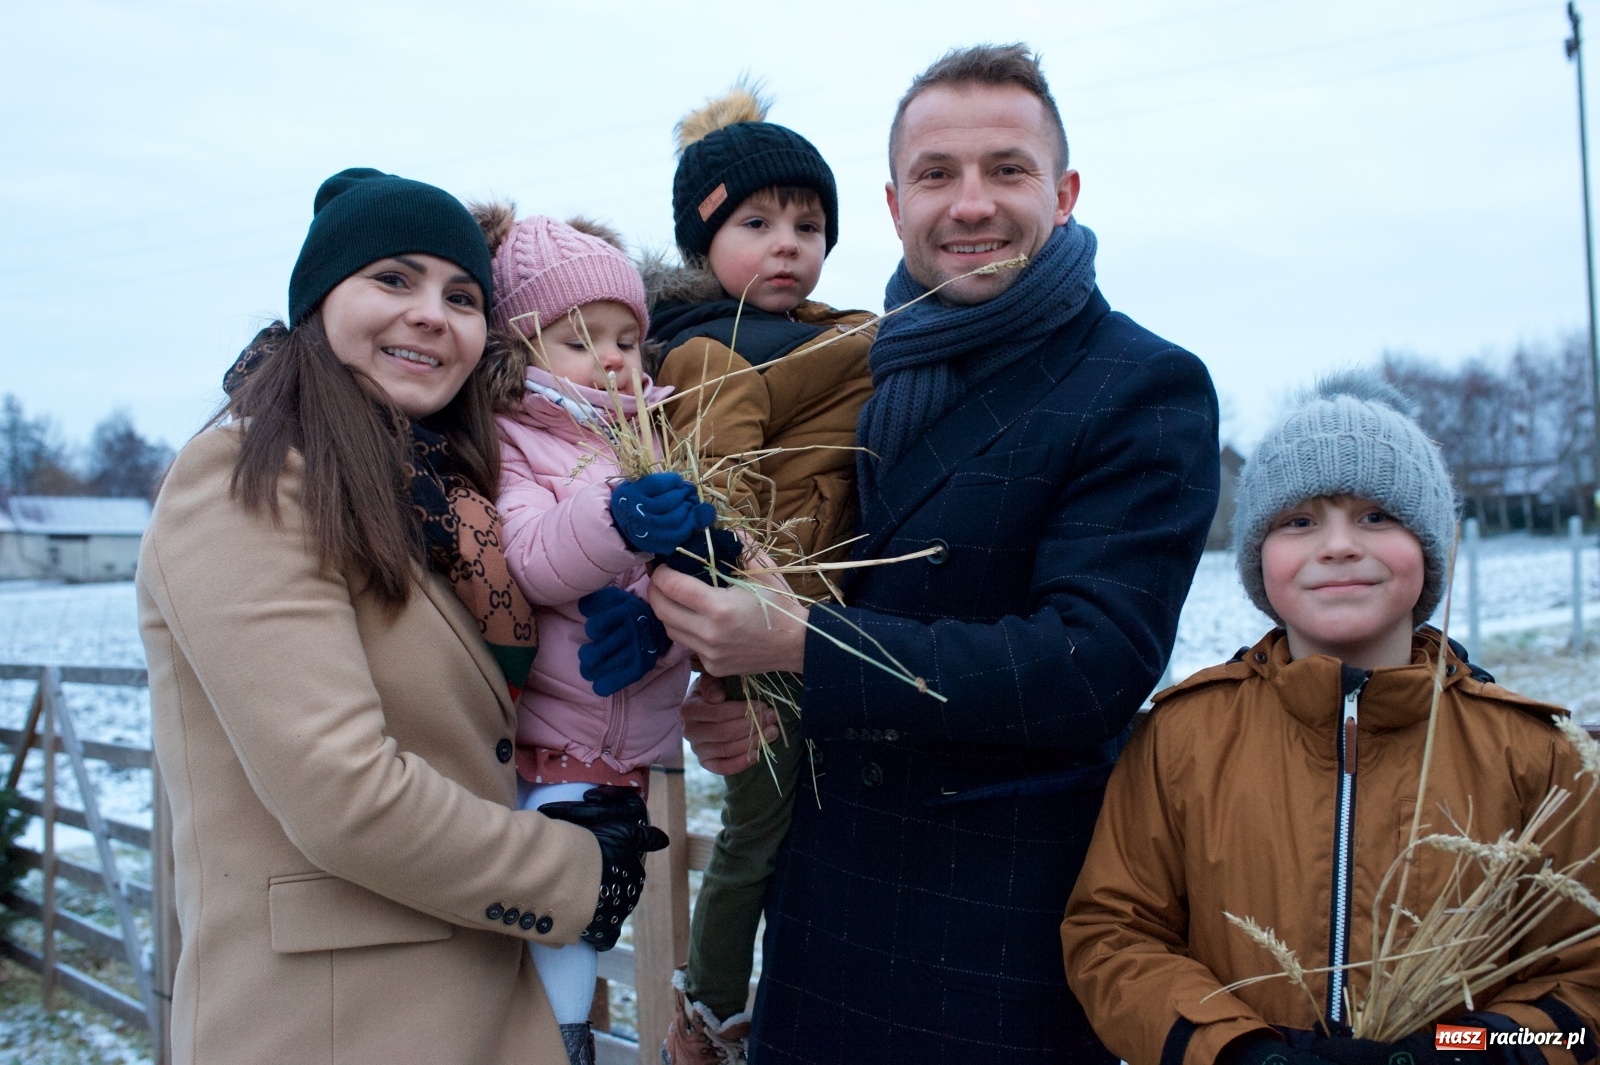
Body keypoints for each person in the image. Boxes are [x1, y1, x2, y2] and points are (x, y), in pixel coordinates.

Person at [649, 45, 1221, 1063]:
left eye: (1006, 169)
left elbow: (1085, 664)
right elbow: (790, 560)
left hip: (997, 946)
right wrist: (740, 695)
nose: (970, 204)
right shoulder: (848, 374)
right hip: (822, 928)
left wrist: (798, 648)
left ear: (1065, 191)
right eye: (936, 174)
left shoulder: (1139, 385)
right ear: (893, 199)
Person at [138, 168, 665, 1065]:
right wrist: (578, 874)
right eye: (393, 279)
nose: (431, 312)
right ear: (318, 301)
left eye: (462, 295)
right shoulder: (248, 479)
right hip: (335, 1024)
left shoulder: (447, 495)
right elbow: (343, 791)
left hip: (489, 1001)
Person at [1061, 373, 1600, 1065]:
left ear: (1431, 547)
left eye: (1378, 515)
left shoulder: (1533, 754)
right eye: (1299, 520)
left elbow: (1585, 986)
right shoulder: (1182, 738)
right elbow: (1114, 936)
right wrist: (1239, 1052)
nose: (1339, 545)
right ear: (1260, 555)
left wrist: (1460, 1050)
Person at [644, 82, 877, 1065]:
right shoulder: (713, 352)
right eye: (757, 222)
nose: (788, 243)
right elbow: (716, 493)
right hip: (779, 622)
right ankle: (715, 1003)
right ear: (705, 245)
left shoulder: (834, 331)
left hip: (842, 614)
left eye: (809, 222)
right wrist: (752, 618)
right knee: (759, 829)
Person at [474, 205, 711, 1061]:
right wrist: (615, 516)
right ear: (521, 350)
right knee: (561, 913)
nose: (612, 358)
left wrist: (669, 625)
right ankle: (566, 1040)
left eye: (625, 337)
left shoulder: (655, 438)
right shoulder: (516, 441)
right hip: (555, 734)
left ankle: (567, 1031)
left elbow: (690, 583)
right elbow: (531, 558)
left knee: (597, 900)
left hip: (632, 746)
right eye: (580, 340)